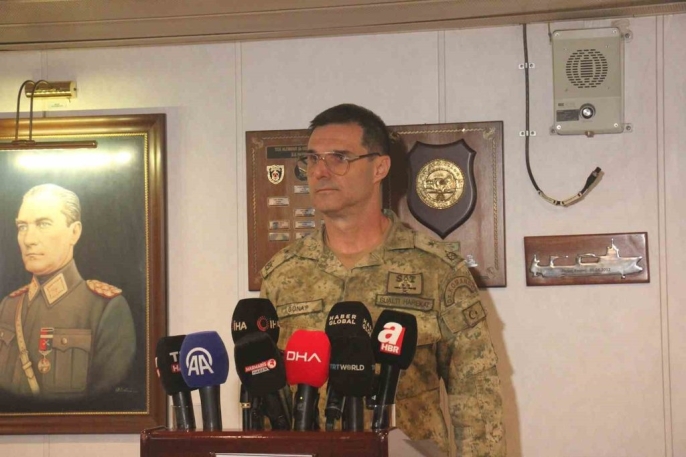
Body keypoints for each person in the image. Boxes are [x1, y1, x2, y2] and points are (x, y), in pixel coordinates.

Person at [260, 104, 505, 456]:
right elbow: (268, 397)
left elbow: (477, 397)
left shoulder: (437, 270)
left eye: (339, 158)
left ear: (380, 167)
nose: (320, 171)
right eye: (312, 159)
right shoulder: (283, 274)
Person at [0, 184, 136, 399]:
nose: (28, 240)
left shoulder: (105, 309)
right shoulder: (8, 306)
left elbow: (105, 400)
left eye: (43, 224)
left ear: (74, 232)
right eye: (22, 226)